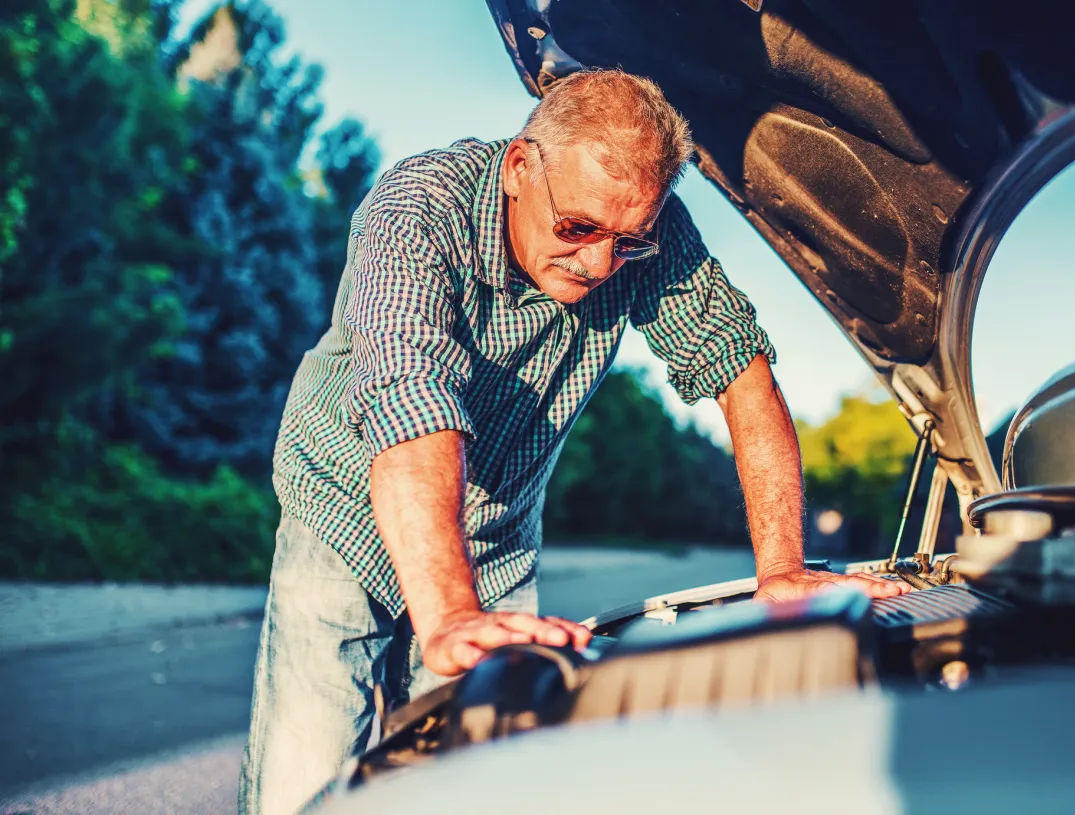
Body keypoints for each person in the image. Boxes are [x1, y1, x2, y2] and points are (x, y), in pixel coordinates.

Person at [239, 68, 905, 815]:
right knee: (304, 776)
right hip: (345, 509)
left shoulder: (644, 236)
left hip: (497, 539)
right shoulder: (417, 210)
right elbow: (410, 395)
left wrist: (781, 568)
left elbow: (742, 375)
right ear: (522, 167)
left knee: (475, 782)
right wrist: (450, 613)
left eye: (628, 242)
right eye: (578, 228)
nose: (597, 265)